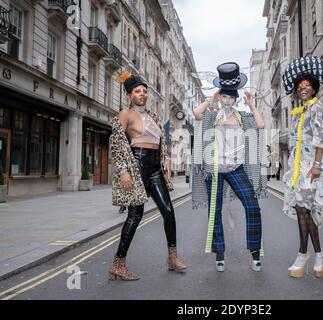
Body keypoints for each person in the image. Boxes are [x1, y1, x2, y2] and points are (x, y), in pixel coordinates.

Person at [108, 73, 186, 281]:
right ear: (130, 95)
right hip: (137, 166)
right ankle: (118, 263)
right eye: (137, 91)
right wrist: (123, 170)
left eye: (144, 91)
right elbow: (116, 144)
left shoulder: (154, 117)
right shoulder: (125, 114)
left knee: (168, 211)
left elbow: (161, 142)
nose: (142, 94)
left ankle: (172, 257)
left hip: (154, 168)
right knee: (135, 215)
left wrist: (166, 159)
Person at [192, 62, 267, 272]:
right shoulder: (212, 116)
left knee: (253, 207)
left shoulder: (242, 118)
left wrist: (252, 106)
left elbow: (261, 125)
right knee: (214, 212)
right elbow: (196, 113)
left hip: (236, 169)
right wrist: (211, 98)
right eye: (223, 97)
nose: (226, 100)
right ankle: (220, 254)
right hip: (214, 170)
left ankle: (254, 253)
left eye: (230, 97)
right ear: (220, 97)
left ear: (235, 99)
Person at [282, 57, 323, 279]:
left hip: (313, 169)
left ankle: (303, 254)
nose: (303, 89)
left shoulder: (318, 109)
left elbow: (321, 139)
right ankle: (318, 257)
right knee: (304, 211)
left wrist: (315, 166)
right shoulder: (300, 112)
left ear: (313, 88)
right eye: (299, 87)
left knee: (304, 211)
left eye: (307, 87)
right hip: (299, 169)